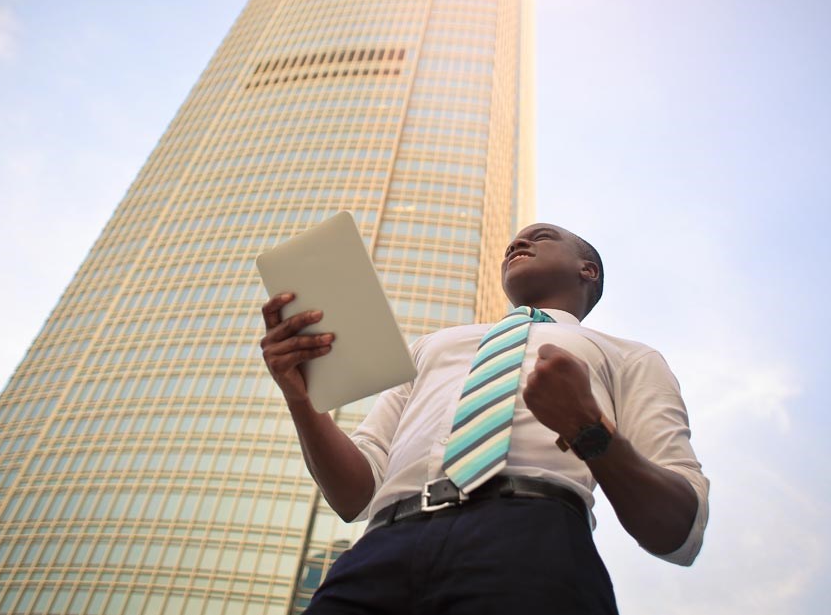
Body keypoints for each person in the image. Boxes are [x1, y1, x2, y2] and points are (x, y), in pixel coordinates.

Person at [259, 223, 709, 614]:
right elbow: (355, 494)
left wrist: (588, 429)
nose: (517, 244)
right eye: (512, 243)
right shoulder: (431, 347)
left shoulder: (629, 357)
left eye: (541, 237)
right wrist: (302, 400)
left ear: (587, 270)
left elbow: (677, 528)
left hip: (534, 542)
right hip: (381, 549)